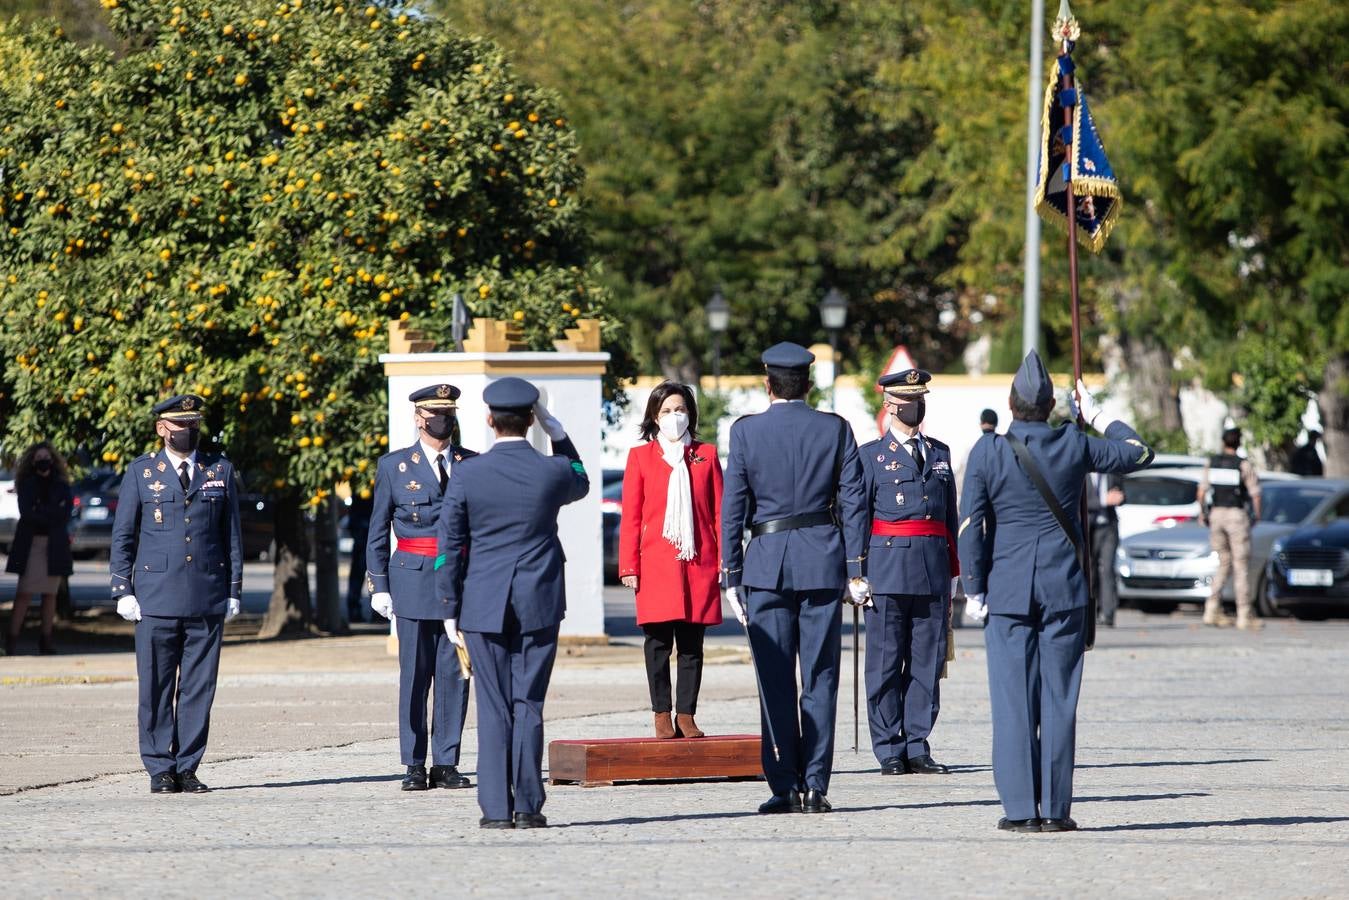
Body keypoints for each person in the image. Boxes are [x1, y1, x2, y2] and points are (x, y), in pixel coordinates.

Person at [959, 352, 1153, 833]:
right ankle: (1056, 809)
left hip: (1007, 589)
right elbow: (1139, 452)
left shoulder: (988, 451)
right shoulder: (1074, 442)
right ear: (1051, 406)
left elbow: (971, 526)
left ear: (1010, 404)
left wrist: (974, 586)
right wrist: (1096, 413)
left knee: (1012, 701)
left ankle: (1022, 808)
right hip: (1063, 587)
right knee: (1059, 699)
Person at [721, 342, 869, 815]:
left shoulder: (746, 432)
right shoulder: (835, 429)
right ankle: (816, 785)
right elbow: (854, 503)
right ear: (808, 384)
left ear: (768, 384)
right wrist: (855, 569)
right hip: (823, 560)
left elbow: (733, 509)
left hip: (765, 564)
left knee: (775, 678)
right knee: (821, 676)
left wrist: (731, 574)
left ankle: (784, 783)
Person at [435, 378, 588, 829]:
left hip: (482, 601)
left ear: (488, 419)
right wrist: (557, 432)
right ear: (531, 420)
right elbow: (579, 477)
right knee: (529, 703)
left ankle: (496, 811)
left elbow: (450, 541)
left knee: (494, 704)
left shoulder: (467, 472)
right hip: (538, 599)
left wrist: (448, 605)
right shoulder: (552, 470)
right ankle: (527, 805)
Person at [109, 394, 243, 794]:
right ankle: (159, 767)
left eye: (194, 423)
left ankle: (187, 765)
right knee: (155, 685)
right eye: (180, 424)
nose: (189, 430)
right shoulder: (141, 472)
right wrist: (122, 589)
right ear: (161, 428)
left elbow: (230, 535)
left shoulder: (219, 469)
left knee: (199, 687)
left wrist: (233, 588)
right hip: (155, 596)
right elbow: (124, 535)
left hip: (206, 594)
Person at [367, 384, 476, 792]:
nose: (442, 421)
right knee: (414, 676)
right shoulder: (394, 466)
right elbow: (377, 531)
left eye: (448, 413)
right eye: (435, 413)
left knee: (455, 676)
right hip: (411, 579)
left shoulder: (470, 463)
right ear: (419, 417)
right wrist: (378, 584)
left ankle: (446, 761)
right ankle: (413, 763)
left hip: (459, 584)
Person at [858, 369, 958, 777]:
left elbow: (951, 515)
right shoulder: (869, 456)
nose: (915, 406)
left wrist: (955, 571)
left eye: (920, 399)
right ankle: (889, 748)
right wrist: (856, 573)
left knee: (926, 661)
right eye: (907, 400)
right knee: (884, 661)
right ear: (889, 404)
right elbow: (859, 517)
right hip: (887, 568)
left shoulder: (941, 453)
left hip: (933, 567)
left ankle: (917, 743)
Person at [618, 382, 724, 740]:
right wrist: (629, 566)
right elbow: (631, 517)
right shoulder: (640, 457)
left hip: (698, 563)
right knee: (659, 644)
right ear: (654, 416)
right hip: (657, 564)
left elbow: (719, 513)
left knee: (692, 646)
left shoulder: (706, 455)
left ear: (690, 414)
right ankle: (661, 713)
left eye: (679, 410)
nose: (673, 417)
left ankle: (687, 714)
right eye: (666, 411)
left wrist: (725, 560)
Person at [5, 443, 74, 656]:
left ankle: (46, 640)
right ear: (32, 461)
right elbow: (27, 512)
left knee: (50, 595)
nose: (43, 460)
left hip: (54, 544)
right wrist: (49, 513)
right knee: (24, 593)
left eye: (46, 456)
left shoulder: (61, 484)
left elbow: (65, 513)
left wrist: (43, 511)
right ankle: (11, 641)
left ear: (52, 460)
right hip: (32, 543)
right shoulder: (27, 483)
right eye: (39, 457)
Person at [1197, 427, 1263, 630]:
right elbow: (1255, 494)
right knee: (1240, 564)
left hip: (1216, 515)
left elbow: (1201, 492)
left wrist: (1203, 513)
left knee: (1223, 562)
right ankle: (1244, 614)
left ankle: (1211, 608)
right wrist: (1257, 515)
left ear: (1223, 441)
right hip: (1236, 515)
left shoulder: (1212, 462)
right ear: (1239, 443)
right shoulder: (1242, 464)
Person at [1088, 472, 1125, 627]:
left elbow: (1123, 495)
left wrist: (1120, 498)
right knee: (1090, 570)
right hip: (1088, 527)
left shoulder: (1112, 474)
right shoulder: (1081, 472)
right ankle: (1090, 611)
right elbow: (1077, 500)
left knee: (1108, 569)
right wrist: (1103, 500)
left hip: (1108, 527)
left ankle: (1108, 614)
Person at [344, 492, 373, 624]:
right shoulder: (362, 484)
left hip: (366, 530)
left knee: (363, 572)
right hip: (363, 530)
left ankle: (356, 608)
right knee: (359, 572)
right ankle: (354, 609)